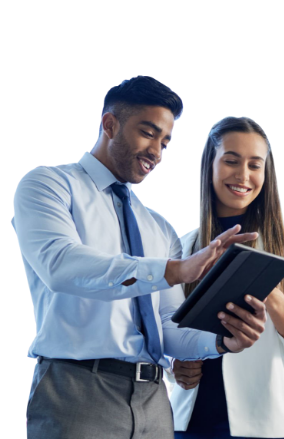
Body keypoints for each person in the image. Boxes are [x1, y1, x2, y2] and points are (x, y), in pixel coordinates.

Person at [13, 78, 268, 439]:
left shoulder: (160, 228)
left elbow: (167, 326)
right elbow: (61, 266)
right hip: (78, 390)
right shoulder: (49, 185)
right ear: (110, 124)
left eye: (165, 142)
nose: (157, 152)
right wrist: (173, 271)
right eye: (147, 133)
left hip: (154, 400)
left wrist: (222, 341)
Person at [167, 116, 284, 439]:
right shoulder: (182, 249)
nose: (243, 175)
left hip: (263, 427)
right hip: (188, 424)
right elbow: (166, 334)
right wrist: (175, 367)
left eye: (255, 165)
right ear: (209, 165)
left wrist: (272, 294)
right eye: (231, 161)